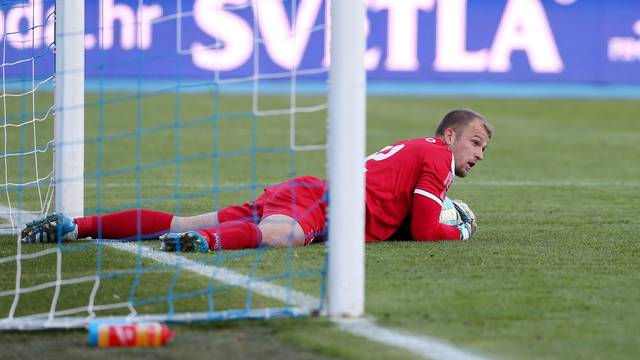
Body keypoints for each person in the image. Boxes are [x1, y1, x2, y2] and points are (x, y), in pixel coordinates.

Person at [21, 109, 492, 252]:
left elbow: (404, 223)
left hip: (309, 193)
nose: (477, 154)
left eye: (484, 150)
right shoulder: (435, 157)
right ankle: (203, 241)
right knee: (284, 236)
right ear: (449, 135)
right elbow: (428, 230)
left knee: (180, 218)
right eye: (474, 142)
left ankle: (77, 225)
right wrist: (461, 228)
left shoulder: (421, 153)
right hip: (321, 202)